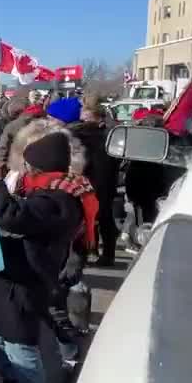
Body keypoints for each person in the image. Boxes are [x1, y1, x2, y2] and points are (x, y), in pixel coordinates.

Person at [0, 127, 97, 383]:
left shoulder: (58, 200)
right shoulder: (47, 191)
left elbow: (12, 218)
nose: (24, 170)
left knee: (19, 343)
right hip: (12, 275)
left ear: (39, 167)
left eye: (28, 165)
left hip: (27, 280)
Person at [68, 104, 120, 267]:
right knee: (103, 218)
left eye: (87, 117)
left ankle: (91, 251)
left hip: (92, 181)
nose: (85, 120)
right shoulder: (110, 134)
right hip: (104, 182)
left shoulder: (77, 135)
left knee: (88, 218)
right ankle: (104, 253)